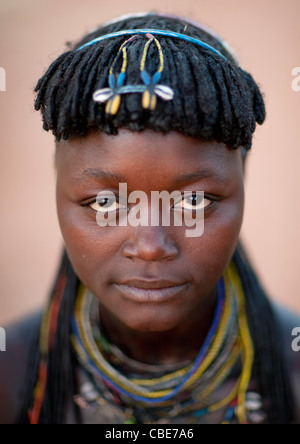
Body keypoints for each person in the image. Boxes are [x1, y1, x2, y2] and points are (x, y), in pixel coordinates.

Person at [0, 12, 299, 425]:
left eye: (194, 200)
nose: (151, 245)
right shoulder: (9, 373)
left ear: (242, 180)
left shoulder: (292, 371)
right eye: (106, 204)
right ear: (58, 184)